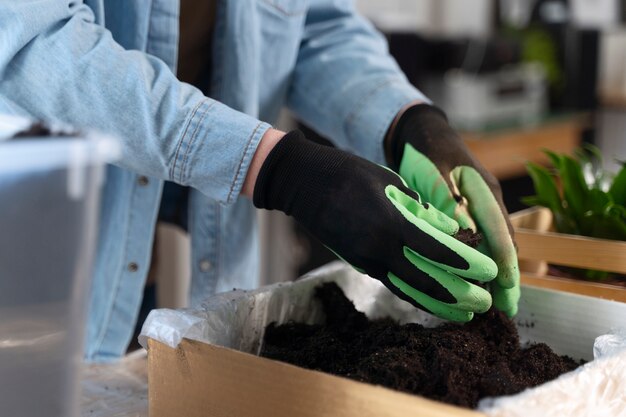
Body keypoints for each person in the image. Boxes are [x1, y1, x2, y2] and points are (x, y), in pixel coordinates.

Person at [0, 0, 519, 362]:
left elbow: (320, 26)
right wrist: (276, 167)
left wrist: (408, 122)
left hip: (150, 246)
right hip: (48, 238)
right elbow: (32, 37)